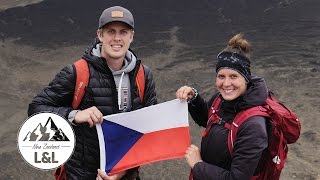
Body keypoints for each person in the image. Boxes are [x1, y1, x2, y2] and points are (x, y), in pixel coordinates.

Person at [28, 6, 157, 180]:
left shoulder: (143, 75)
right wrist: (75, 114)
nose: (117, 38)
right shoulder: (77, 72)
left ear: (131, 36)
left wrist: (125, 170)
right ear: (100, 35)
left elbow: (150, 128)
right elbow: (36, 108)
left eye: (123, 32)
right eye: (110, 31)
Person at [176, 33, 269, 179]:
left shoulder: (253, 126)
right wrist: (193, 98)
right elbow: (208, 119)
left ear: (246, 79)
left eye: (233, 76)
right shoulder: (221, 99)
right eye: (221, 76)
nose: (226, 84)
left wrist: (198, 165)